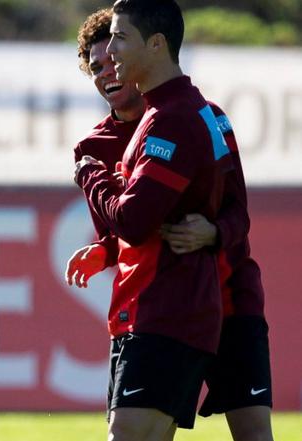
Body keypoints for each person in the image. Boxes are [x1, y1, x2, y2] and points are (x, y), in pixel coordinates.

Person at [68, 8, 274, 441]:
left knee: (252, 432)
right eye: (96, 66)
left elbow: (235, 209)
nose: (110, 70)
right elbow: (125, 229)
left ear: (149, 46)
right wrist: (105, 251)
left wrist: (217, 233)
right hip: (169, 297)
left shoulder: (191, 117)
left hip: (224, 296)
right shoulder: (97, 144)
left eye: (117, 49)